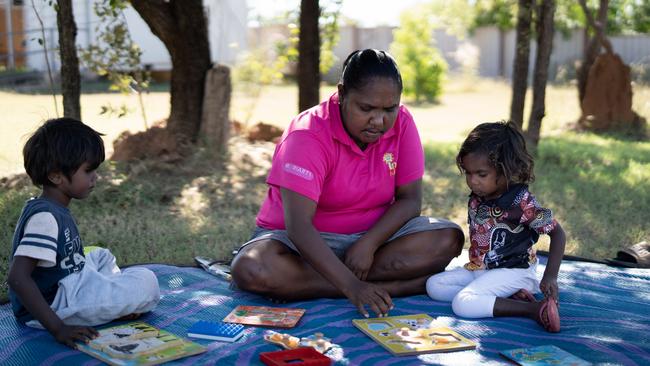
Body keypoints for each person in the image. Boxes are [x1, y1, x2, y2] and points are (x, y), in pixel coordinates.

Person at [231, 49, 464, 318]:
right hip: (299, 244)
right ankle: (396, 285)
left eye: (389, 109)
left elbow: (410, 199)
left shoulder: (402, 123)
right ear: (342, 94)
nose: (379, 121)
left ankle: (307, 284)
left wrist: (369, 244)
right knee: (252, 269)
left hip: (373, 242)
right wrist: (352, 286)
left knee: (447, 238)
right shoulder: (307, 134)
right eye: (366, 109)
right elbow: (299, 227)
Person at [7, 118, 161, 348]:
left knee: (100, 254)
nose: (95, 177)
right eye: (88, 170)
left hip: (68, 280)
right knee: (147, 282)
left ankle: (109, 297)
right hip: (57, 303)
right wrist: (58, 327)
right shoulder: (45, 218)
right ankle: (113, 301)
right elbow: (17, 277)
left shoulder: (52, 207)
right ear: (56, 176)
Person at [425, 121, 566, 332]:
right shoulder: (479, 197)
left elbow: (558, 233)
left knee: (462, 304)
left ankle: (533, 309)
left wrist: (551, 276)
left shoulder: (522, 202)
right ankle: (501, 297)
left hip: (515, 271)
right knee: (434, 286)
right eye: (468, 173)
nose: (473, 181)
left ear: (506, 170)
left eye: (481, 174)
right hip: (482, 268)